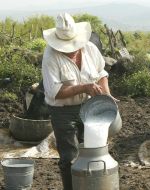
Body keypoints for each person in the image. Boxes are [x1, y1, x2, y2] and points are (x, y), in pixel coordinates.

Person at [42, 13, 117, 190]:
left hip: (89, 107)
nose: (71, 49)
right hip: (63, 112)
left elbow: (101, 73)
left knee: (93, 151)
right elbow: (55, 92)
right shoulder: (50, 56)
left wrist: (106, 94)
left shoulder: (90, 48)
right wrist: (84, 87)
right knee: (70, 157)